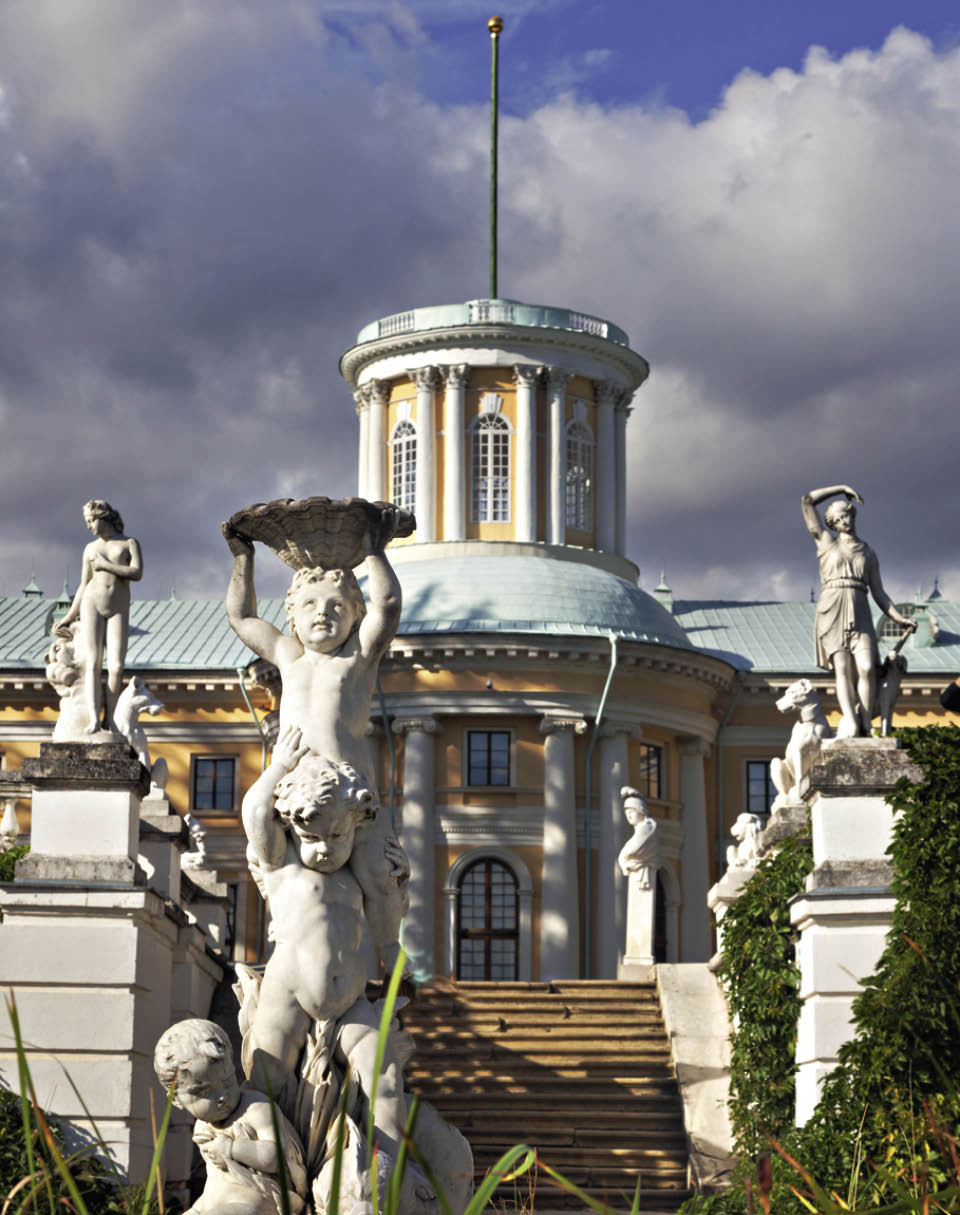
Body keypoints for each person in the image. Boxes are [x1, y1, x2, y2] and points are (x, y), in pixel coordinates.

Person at [222, 513, 408, 976]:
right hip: (293, 787)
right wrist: (243, 559)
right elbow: (241, 617)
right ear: (292, 614)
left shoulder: (358, 657)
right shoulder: (288, 655)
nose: (323, 613)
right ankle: (294, 957)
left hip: (352, 791)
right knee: (281, 865)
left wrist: (374, 550)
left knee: (378, 875)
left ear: (354, 615)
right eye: (310, 604)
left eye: (337, 606)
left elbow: (387, 607)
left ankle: (389, 951)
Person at [240, 725, 411, 1164]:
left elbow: (387, 913)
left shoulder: (355, 880)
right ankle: (271, 1171)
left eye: (337, 838)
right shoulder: (282, 867)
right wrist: (278, 766)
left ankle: (389, 1174)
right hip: (287, 993)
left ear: (355, 826)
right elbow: (256, 811)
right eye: (311, 838)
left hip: (351, 1000)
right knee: (266, 1081)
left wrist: (399, 881)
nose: (323, 850)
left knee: (386, 1079)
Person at [153, 1018, 307, 1215]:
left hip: (258, 1200)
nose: (222, 1097)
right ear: (176, 1100)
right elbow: (218, 1178)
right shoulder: (203, 1127)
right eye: (204, 1091)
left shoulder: (256, 1108)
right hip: (214, 1199)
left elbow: (278, 1155)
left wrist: (232, 1148)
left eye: (227, 1082)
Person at [802, 485, 916, 738]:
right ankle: (852, 722)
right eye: (838, 519)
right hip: (832, 608)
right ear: (832, 524)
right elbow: (807, 501)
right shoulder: (826, 543)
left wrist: (898, 618)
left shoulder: (868, 552)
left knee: (866, 668)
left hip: (860, 608)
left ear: (853, 516)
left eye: (847, 515)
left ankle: (866, 723)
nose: (844, 521)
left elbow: (879, 593)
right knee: (842, 669)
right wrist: (841, 488)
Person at [56, 500, 142, 734]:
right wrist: (70, 616)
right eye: (87, 522)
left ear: (103, 517)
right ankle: (94, 720)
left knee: (116, 666)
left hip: (118, 607)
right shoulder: (90, 548)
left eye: (91, 520)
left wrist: (105, 565)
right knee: (92, 663)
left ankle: (110, 720)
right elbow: (83, 584)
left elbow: (136, 573)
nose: (89, 526)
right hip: (91, 603)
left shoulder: (129, 543)